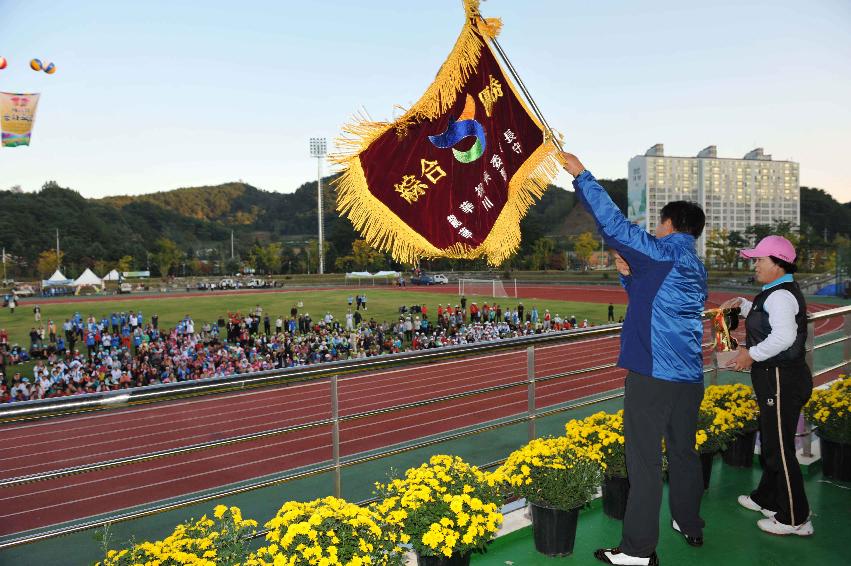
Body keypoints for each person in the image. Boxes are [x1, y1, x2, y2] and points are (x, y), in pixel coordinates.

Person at [562, 152, 707, 566]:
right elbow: (653, 302)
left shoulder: (662, 253)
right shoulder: (694, 265)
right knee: (683, 452)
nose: (656, 230)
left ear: (670, 225)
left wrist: (581, 175)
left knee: (643, 462)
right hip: (688, 377)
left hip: (653, 375)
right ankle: (689, 523)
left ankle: (638, 552)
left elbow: (615, 226)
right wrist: (629, 275)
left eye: (659, 224)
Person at [719, 236, 814, 536]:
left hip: (780, 378)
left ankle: (795, 517)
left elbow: (783, 337)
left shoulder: (780, 296)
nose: (755, 264)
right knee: (773, 441)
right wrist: (745, 306)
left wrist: (751, 354)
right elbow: (767, 318)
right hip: (777, 378)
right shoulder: (772, 291)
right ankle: (767, 498)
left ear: (777, 263)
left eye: (760, 260)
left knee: (778, 448)